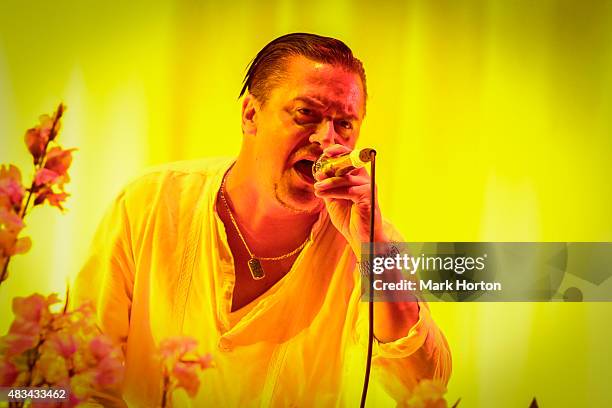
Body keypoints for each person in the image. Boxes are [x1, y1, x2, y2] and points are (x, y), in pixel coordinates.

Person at [74, 33, 451, 407]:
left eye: (345, 124)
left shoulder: (370, 244)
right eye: (306, 113)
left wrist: (374, 246)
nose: (327, 139)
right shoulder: (149, 202)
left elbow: (422, 386)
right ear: (251, 114)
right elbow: (80, 374)